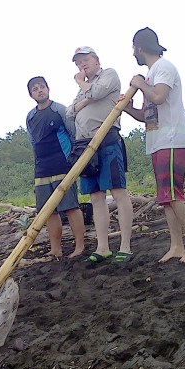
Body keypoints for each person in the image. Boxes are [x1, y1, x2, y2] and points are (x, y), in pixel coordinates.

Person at [122, 27, 185, 264]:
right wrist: (127, 108)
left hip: (172, 141)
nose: (133, 54)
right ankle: (177, 245)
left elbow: (158, 97)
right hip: (157, 142)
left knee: (174, 194)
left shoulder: (164, 68)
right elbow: (148, 115)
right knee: (165, 197)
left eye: (133, 49)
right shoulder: (150, 75)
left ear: (139, 47)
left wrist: (139, 84)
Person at [66, 47, 134, 264]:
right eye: (78, 63)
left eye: (85, 60)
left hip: (107, 139)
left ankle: (125, 246)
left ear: (96, 60)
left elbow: (96, 93)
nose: (82, 66)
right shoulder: (84, 88)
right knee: (95, 196)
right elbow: (70, 111)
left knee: (118, 191)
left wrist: (85, 89)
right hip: (84, 145)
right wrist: (86, 97)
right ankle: (102, 246)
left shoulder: (109, 75)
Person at [26, 76, 86, 259]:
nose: (39, 91)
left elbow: (73, 132)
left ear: (48, 89)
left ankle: (80, 246)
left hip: (62, 163)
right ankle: (55, 248)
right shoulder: (30, 116)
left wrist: (74, 159)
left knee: (70, 206)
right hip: (42, 167)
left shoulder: (59, 109)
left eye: (42, 87)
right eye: (35, 89)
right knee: (47, 210)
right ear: (31, 94)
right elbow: (32, 140)